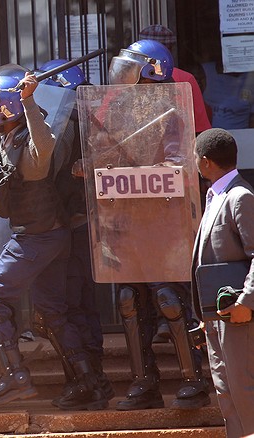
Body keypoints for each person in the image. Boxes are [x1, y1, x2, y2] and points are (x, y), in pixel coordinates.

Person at [0, 64, 109, 411]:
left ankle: (15, 378)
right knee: (51, 313)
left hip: (36, 238)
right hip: (48, 236)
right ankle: (91, 383)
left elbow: (42, 148)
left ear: (7, 110)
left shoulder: (33, 138)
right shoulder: (8, 133)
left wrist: (27, 102)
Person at [107, 40, 210, 410]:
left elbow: (178, 164)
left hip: (163, 222)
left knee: (168, 299)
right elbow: (103, 152)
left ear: (152, 72)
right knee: (129, 300)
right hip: (127, 222)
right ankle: (144, 383)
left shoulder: (171, 112)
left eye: (133, 71)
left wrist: (145, 177)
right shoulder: (118, 110)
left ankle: (193, 381)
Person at [35, 59, 114, 407]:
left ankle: (88, 384)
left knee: (67, 308)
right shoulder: (90, 125)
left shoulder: (64, 129)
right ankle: (96, 380)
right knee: (82, 307)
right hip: (84, 229)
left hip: (71, 229)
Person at [192, 128, 254, 438]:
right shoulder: (215, 196)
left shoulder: (240, 197)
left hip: (239, 313)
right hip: (215, 315)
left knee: (244, 388)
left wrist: (247, 301)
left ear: (205, 163)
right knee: (226, 389)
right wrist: (204, 314)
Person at [139, 24, 211, 135]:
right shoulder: (186, 79)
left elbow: (106, 126)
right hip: (176, 150)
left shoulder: (128, 78)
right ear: (170, 51)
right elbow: (200, 130)